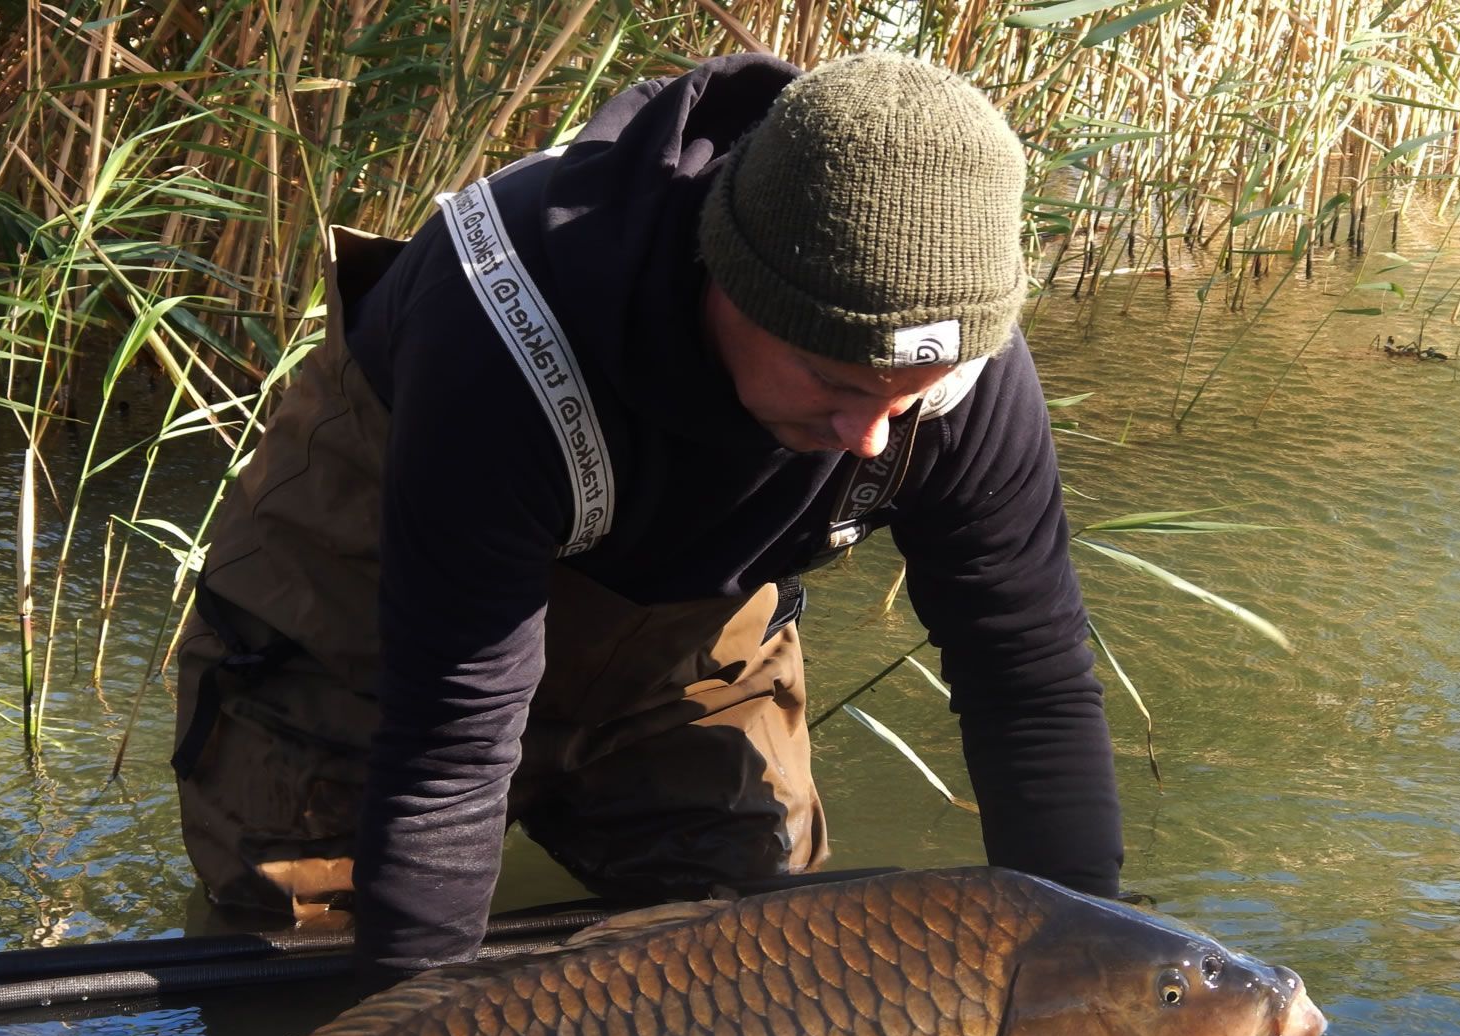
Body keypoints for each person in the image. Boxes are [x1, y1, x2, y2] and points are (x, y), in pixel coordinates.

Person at [171, 51, 1123, 969]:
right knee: (308, 980)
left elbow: (1026, 675)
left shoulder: (963, 370)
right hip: (369, 628)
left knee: (775, 976)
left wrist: (1091, 961)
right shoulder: (502, 326)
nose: (871, 437)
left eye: (909, 394)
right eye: (835, 381)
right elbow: (448, 744)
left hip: (683, 648)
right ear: (729, 279)